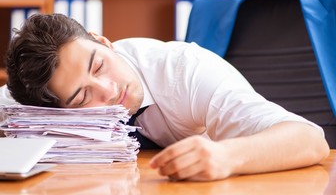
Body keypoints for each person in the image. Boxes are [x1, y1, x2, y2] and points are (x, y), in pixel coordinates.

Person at [4, 13, 329, 182]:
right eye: (81, 98)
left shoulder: (186, 72)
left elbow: (311, 140)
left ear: (103, 41)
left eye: (99, 65)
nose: (108, 90)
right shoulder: (33, 99)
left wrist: (227, 156)